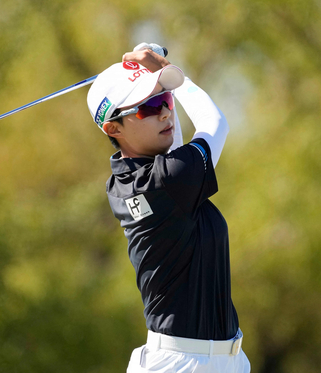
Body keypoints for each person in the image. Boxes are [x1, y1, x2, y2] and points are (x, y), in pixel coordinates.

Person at [87, 43, 251, 373]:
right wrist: (167, 67)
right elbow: (214, 122)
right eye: (147, 108)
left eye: (165, 99)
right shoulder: (167, 181)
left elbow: (170, 148)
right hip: (182, 364)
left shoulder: (125, 182)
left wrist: (159, 78)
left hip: (219, 360)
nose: (165, 113)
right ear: (113, 128)